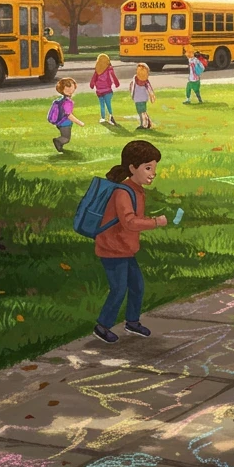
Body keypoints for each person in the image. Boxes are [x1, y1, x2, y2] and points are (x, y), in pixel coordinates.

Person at [92, 140, 169, 343]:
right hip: (112, 248)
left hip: (125, 249)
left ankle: (132, 322)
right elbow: (129, 222)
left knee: (137, 286)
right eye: (148, 168)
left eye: (154, 168)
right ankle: (102, 326)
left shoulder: (136, 189)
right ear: (132, 168)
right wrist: (155, 222)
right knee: (118, 289)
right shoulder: (123, 192)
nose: (153, 173)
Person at [51, 77, 85, 152]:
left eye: (71, 88)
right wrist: (79, 122)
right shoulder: (67, 102)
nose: (70, 91)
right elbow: (69, 115)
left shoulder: (61, 100)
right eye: (67, 89)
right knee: (66, 138)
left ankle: (60, 146)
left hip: (59, 123)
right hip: (65, 123)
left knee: (65, 136)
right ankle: (58, 141)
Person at [89, 53, 121, 125]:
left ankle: (103, 117)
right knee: (108, 103)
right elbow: (113, 78)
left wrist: (92, 85)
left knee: (102, 104)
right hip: (107, 91)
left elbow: (93, 79)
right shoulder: (109, 70)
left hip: (99, 91)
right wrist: (116, 84)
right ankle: (110, 116)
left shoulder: (98, 71)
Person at [130, 62, 156, 130]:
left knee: (141, 112)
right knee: (142, 111)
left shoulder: (144, 81)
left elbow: (149, 89)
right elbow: (132, 85)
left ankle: (143, 124)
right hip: (139, 98)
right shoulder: (136, 78)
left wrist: (152, 95)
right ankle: (148, 122)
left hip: (140, 98)